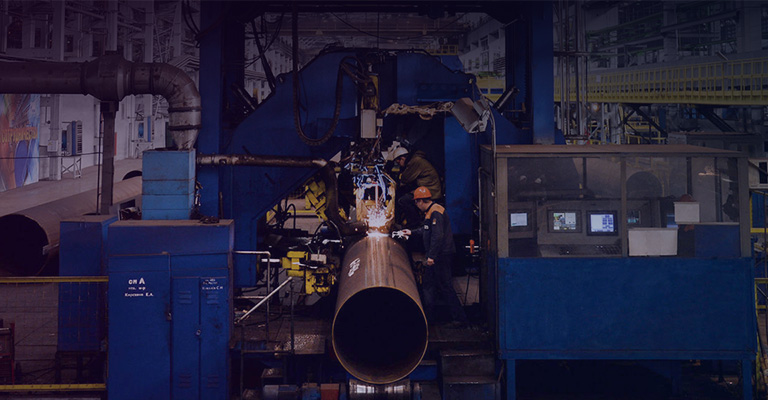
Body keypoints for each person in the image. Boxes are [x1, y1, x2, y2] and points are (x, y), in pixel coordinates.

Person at [403, 186, 467, 326]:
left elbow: (437, 236)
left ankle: (459, 319)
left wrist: (431, 256)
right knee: (428, 284)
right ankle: (429, 318)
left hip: (441, 256)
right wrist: (411, 232)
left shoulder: (436, 212)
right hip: (436, 256)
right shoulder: (430, 212)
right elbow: (426, 230)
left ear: (420, 201)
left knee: (445, 286)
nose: (416, 206)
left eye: (416, 202)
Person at [391, 147, 442, 228]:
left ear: (403, 158)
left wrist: (402, 171)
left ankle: (414, 224)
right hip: (428, 187)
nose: (398, 164)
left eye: (398, 162)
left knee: (403, 200)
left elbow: (405, 178)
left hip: (431, 189)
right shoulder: (415, 160)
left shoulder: (415, 161)